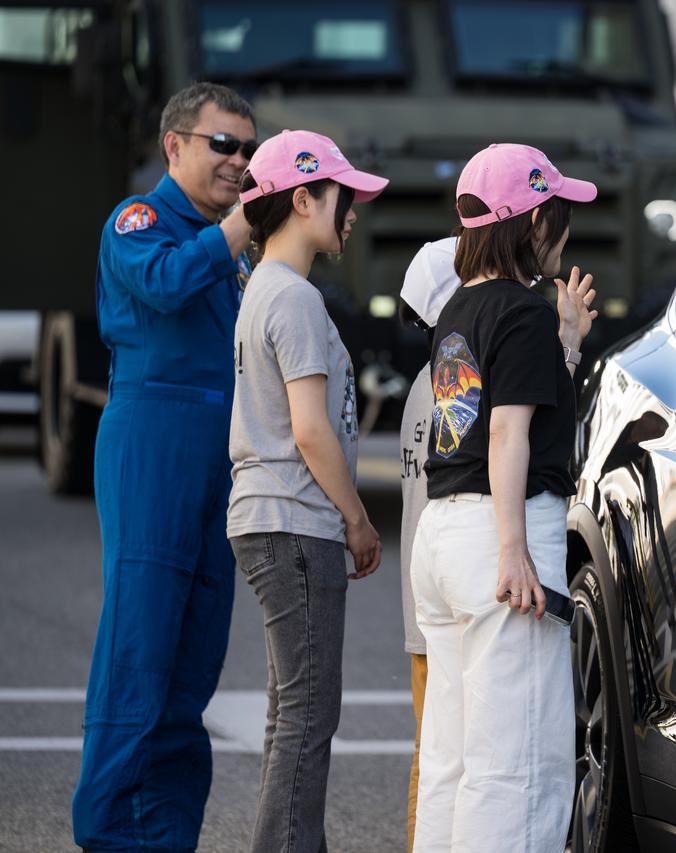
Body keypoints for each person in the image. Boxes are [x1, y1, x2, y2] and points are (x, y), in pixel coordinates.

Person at [73, 82, 256, 852]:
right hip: (154, 446)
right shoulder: (141, 222)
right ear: (175, 144)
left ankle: (166, 829)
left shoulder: (228, 246)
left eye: (247, 150)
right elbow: (163, 284)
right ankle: (113, 829)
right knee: (141, 647)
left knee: (194, 654)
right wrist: (240, 231)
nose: (239, 162)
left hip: (216, 457)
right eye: (224, 145)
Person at [411, 143, 598, 853]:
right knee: (515, 770)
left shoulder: (459, 308)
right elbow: (509, 436)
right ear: (529, 222)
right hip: (499, 536)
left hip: (444, 535)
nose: (565, 230)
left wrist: (568, 343)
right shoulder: (521, 312)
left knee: (455, 762)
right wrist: (515, 550)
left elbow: (509, 413)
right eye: (558, 213)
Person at [226, 129, 388, 853]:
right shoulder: (291, 299)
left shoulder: (268, 289)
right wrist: (357, 517)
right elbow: (311, 430)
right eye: (342, 197)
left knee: (292, 709)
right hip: (296, 520)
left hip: (271, 518)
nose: (352, 213)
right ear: (302, 198)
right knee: (308, 713)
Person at [396, 236, 461, 851]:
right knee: (443, 758)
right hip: (447, 600)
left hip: (422, 601)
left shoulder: (423, 382)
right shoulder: (454, 382)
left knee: (431, 752)